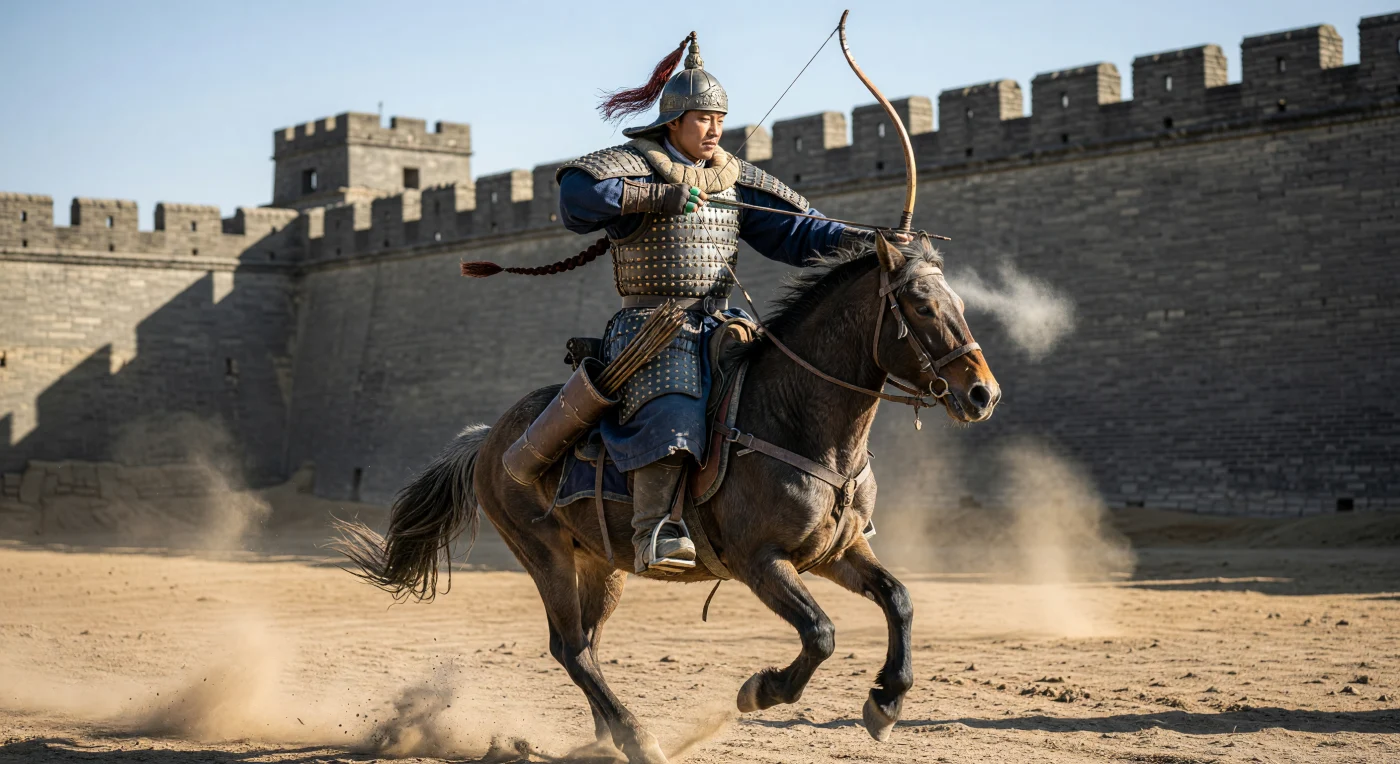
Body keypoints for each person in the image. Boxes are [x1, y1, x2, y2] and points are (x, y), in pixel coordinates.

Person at [555, 33, 876, 574]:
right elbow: (575, 194)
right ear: (673, 123)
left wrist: (867, 242)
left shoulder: (733, 177)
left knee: (797, 394)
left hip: (724, 324)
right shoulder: (635, 162)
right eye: (703, 118)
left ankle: (833, 510)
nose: (715, 129)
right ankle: (656, 528)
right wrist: (654, 195)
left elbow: (797, 232)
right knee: (674, 405)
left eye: (720, 119)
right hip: (651, 326)